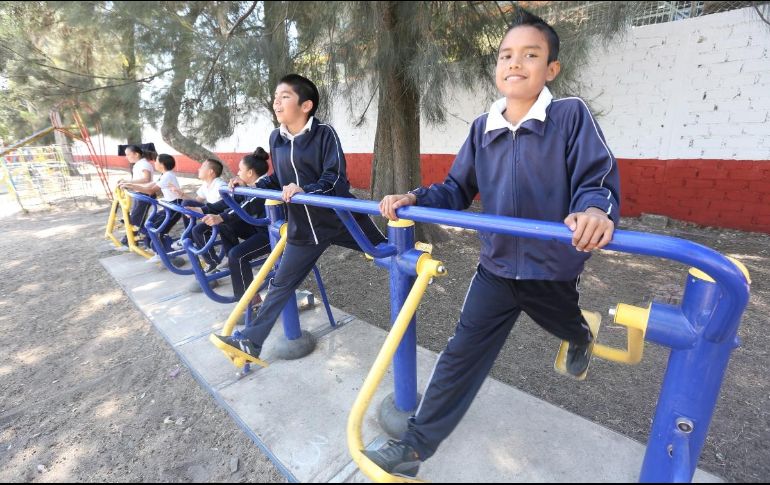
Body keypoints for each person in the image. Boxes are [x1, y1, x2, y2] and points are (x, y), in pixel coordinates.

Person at [365, 8, 621, 478]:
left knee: (565, 323)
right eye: (506, 54)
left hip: (552, 270)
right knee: (461, 353)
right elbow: (456, 188)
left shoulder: (569, 116)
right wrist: (415, 197)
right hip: (497, 269)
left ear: (551, 69)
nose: (515, 63)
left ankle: (581, 335)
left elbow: (595, 176)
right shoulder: (484, 128)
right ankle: (415, 447)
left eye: (530, 54)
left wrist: (594, 210)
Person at [211, 73, 386, 359]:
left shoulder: (324, 133)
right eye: (276, 97)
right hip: (304, 228)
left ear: (306, 105)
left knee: (387, 254)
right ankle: (251, 342)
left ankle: (419, 275)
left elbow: (336, 180)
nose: (276, 103)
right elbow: (279, 178)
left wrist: (307, 190)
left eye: (285, 97)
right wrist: (251, 185)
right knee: (281, 283)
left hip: (339, 218)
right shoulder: (275, 138)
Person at [193, 150, 272, 300]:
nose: (237, 172)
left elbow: (246, 206)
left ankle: (250, 300)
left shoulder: (264, 186)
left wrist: (221, 217)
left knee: (238, 255)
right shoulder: (250, 184)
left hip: (271, 235)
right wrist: (203, 209)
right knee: (226, 228)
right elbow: (231, 202)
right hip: (257, 228)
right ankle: (231, 261)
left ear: (249, 172)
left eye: (240, 170)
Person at [119, 153, 182, 258]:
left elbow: (150, 190)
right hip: (169, 207)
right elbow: (150, 185)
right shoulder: (164, 175)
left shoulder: (168, 176)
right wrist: (130, 185)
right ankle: (157, 251)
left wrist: (130, 185)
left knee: (158, 230)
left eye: (156, 161)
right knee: (149, 225)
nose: (155, 163)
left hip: (175, 208)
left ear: (162, 164)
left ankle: (167, 255)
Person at [117, 145, 154, 248]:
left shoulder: (144, 164)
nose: (127, 157)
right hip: (140, 194)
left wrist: (128, 182)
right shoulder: (138, 164)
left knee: (137, 220)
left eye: (128, 154)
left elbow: (147, 179)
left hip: (145, 194)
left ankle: (130, 241)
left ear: (136, 154)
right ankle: (131, 240)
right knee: (135, 218)